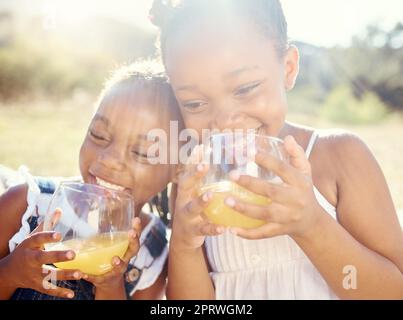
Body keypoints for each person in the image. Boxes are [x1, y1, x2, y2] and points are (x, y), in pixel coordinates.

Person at [151, 0, 403, 299]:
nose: (225, 121)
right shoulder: (196, 182)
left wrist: (311, 225)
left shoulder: (340, 157)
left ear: (288, 68)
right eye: (194, 103)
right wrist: (184, 246)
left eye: (245, 88)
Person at [0, 60, 181, 300]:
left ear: (178, 168)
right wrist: (11, 273)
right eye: (98, 135)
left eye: (142, 152)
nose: (109, 160)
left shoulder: (151, 251)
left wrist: (110, 284)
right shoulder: (25, 206)